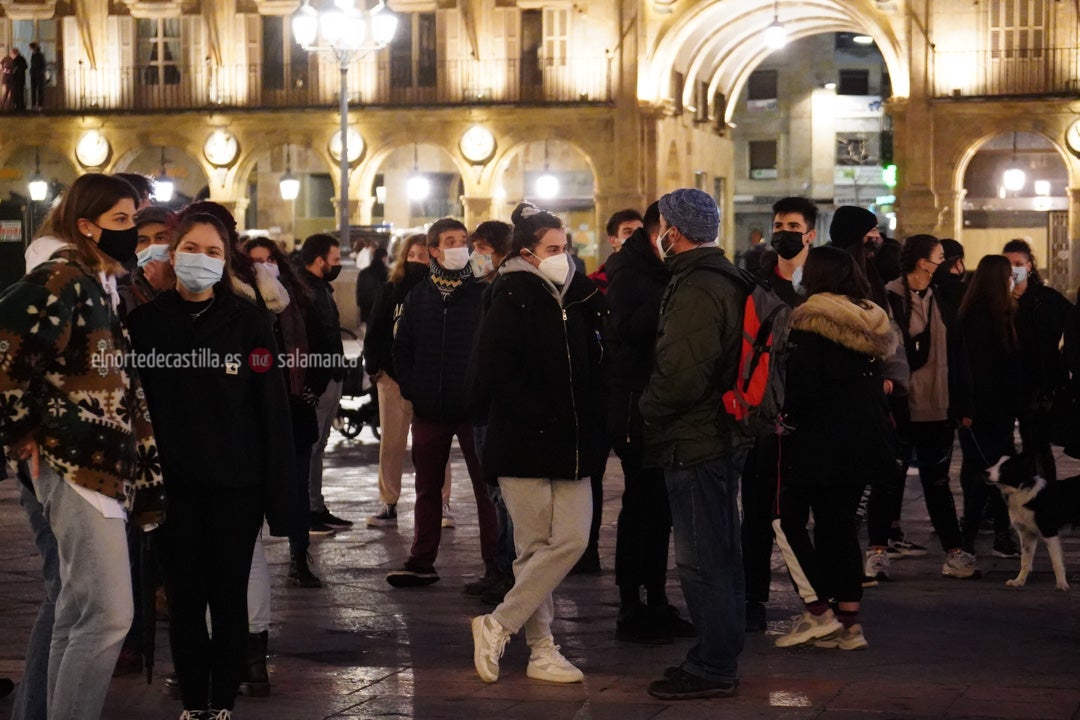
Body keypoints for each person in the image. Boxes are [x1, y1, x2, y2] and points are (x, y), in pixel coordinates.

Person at [0, 173, 164, 719]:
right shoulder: (62, 277)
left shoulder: (95, 280)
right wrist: (22, 435)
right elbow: (8, 350)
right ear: (86, 226)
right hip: (76, 465)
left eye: (133, 220)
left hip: (98, 464)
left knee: (76, 609)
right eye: (120, 221)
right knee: (110, 614)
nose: (131, 230)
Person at [127, 213, 293, 720]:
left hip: (236, 485)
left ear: (226, 263)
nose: (202, 258)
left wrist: (279, 497)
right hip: (172, 486)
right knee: (182, 599)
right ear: (172, 254)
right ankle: (194, 702)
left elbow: (271, 410)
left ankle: (222, 702)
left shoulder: (250, 323)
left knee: (227, 598)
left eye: (214, 251)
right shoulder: (144, 325)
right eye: (192, 248)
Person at [469, 201, 607, 685]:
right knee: (532, 549)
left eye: (565, 248)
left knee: (570, 538)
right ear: (527, 253)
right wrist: (540, 414)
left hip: (574, 441)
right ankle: (542, 649)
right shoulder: (510, 296)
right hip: (525, 441)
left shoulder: (578, 296)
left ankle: (496, 624)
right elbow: (492, 375)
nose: (562, 256)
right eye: (552, 249)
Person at [639, 188, 749, 700]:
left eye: (662, 224)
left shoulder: (697, 285)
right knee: (720, 552)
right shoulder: (723, 277)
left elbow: (682, 373)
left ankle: (713, 664)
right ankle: (720, 653)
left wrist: (645, 410)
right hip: (718, 434)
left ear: (674, 232)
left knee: (702, 557)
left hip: (696, 439)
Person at [772, 246, 899, 651]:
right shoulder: (871, 319)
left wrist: (784, 418)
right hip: (866, 440)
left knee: (784, 519)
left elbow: (802, 387)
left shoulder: (811, 319)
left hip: (820, 439)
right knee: (838, 524)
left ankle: (818, 611)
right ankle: (850, 625)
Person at [386, 219, 498, 587]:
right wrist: (414, 387)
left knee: (487, 490)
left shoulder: (480, 291)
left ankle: (495, 565)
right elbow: (401, 348)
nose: (459, 247)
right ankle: (421, 560)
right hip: (430, 410)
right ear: (433, 250)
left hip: (472, 411)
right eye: (450, 241)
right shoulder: (419, 295)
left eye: (463, 241)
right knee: (426, 488)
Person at [608, 200, 692, 643]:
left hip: (659, 406)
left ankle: (656, 598)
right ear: (663, 228)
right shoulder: (628, 271)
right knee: (641, 506)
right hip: (634, 409)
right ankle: (630, 604)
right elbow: (626, 332)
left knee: (658, 509)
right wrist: (669, 295)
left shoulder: (660, 268)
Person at [870, 234, 977, 580]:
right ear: (922, 262)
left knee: (938, 482)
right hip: (902, 403)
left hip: (939, 405)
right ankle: (877, 552)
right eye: (940, 256)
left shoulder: (944, 298)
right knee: (889, 479)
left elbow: (959, 354)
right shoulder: (889, 297)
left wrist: (963, 402)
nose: (945, 263)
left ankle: (955, 553)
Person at [740, 196, 816, 633]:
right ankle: (753, 595)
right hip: (765, 415)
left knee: (798, 511)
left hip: (807, 413)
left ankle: (813, 598)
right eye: (779, 224)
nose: (783, 231)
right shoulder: (757, 284)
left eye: (792, 225)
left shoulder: (822, 286)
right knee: (756, 509)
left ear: (809, 234)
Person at [245, 237, 324, 588]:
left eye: (269, 259)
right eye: (255, 260)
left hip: (295, 407)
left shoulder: (300, 299)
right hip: (256, 411)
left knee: (297, 484)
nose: (264, 266)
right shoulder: (241, 302)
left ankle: (299, 554)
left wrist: (310, 389)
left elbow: (320, 346)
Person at [364, 235, 453, 528]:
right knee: (391, 443)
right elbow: (375, 329)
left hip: (431, 379)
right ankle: (389, 502)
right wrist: (374, 367)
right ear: (404, 257)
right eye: (412, 255)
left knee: (436, 444)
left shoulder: (443, 291)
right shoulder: (390, 290)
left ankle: (442, 503)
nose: (417, 261)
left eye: (423, 256)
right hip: (392, 378)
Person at [953, 255, 1022, 558]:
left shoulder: (973, 314)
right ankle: (979, 539)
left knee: (982, 471)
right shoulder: (989, 318)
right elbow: (981, 368)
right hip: (989, 409)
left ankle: (988, 537)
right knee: (988, 473)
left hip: (984, 408)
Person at [464, 219, 517, 604]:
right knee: (494, 492)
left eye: (478, 250)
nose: (473, 258)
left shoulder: (504, 291)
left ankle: (506, 571)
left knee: (502, 495)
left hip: (495, 408)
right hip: (487, 405)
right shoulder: (491, 289)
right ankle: (498, 568)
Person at [1003, 238, 1072, 482]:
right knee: (1004, 444)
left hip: (1039, 384)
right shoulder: (998, 301)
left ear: (1030, 266)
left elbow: (1071, 324)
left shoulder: (1046, 298)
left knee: (1037, 443)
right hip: (1008, 382)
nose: (1013, 269)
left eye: (1019, 263)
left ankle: (1046, 495)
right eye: (1008, 264)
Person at [300, 233, 352, 532]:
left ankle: (316, 506)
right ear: (320, 261)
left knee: (319, 446)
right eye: (334, 260)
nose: (337, 265)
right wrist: (316, 381)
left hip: (331, 376)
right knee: (312, 445)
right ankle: (308, 509)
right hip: (319, 379)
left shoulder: (320, 288)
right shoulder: (306, 291)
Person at [117, 205, 177, 319]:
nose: (152, 246)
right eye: (143, 240)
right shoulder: (124, 297)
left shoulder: (197, 287)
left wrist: (167, 287)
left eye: (160, 238)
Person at [355, 246, 388, 331]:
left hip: (366, 310)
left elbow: (359, 292)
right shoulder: (387, 273)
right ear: (384, 258)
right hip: (381, 311)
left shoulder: (363, 273)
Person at [29, 42, 45, 110]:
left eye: (31, 48)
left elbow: (43, 65)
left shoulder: (40, 55)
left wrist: (40, 72)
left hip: (39, 75)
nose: (31, 50)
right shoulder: (33, 55)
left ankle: (40, 105)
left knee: (40, 90)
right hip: (33, 74)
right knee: (33, 90)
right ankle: (33, 105)